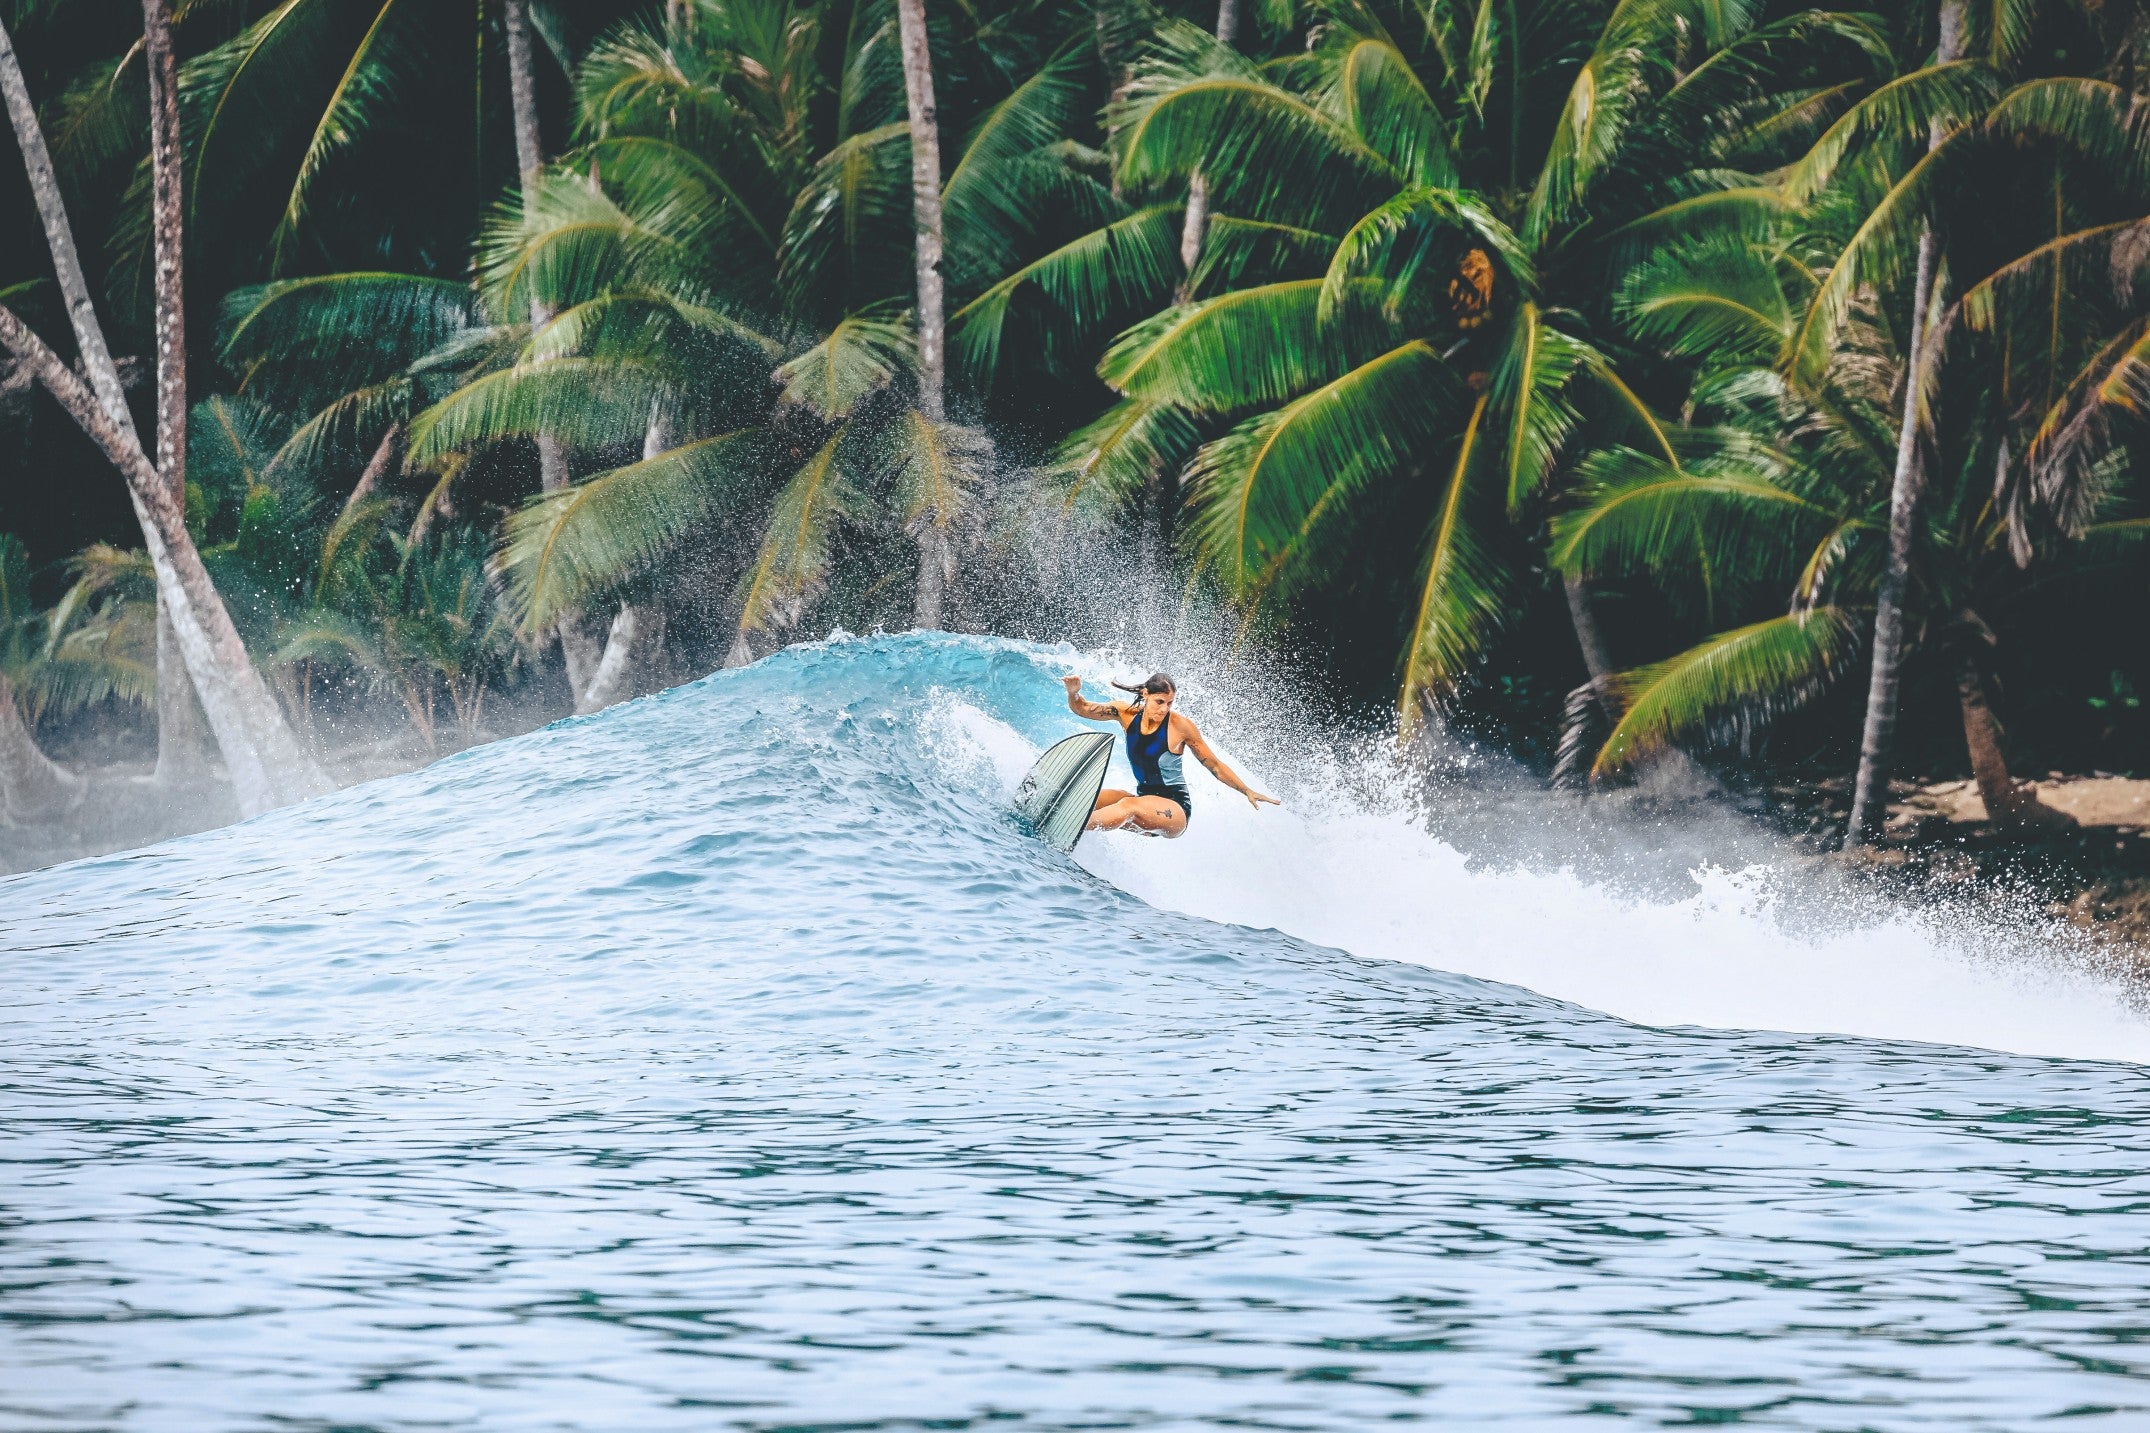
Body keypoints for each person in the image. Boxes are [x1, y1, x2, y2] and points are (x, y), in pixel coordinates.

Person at [1060, 671, 1279, 837]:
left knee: (1128, 806)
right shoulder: (1126, 714)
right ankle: (1052, 809)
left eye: (1170, 703)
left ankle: (1068, 825)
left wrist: (1246, 790)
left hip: (1174, 811)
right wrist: (1073, 692)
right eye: (1159, 702)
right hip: (1144, 800)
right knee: (1092, 796)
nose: (1164, 709)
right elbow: (1083, 708)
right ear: (1145, 695)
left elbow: (1214, 765)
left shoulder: (1180, 727)